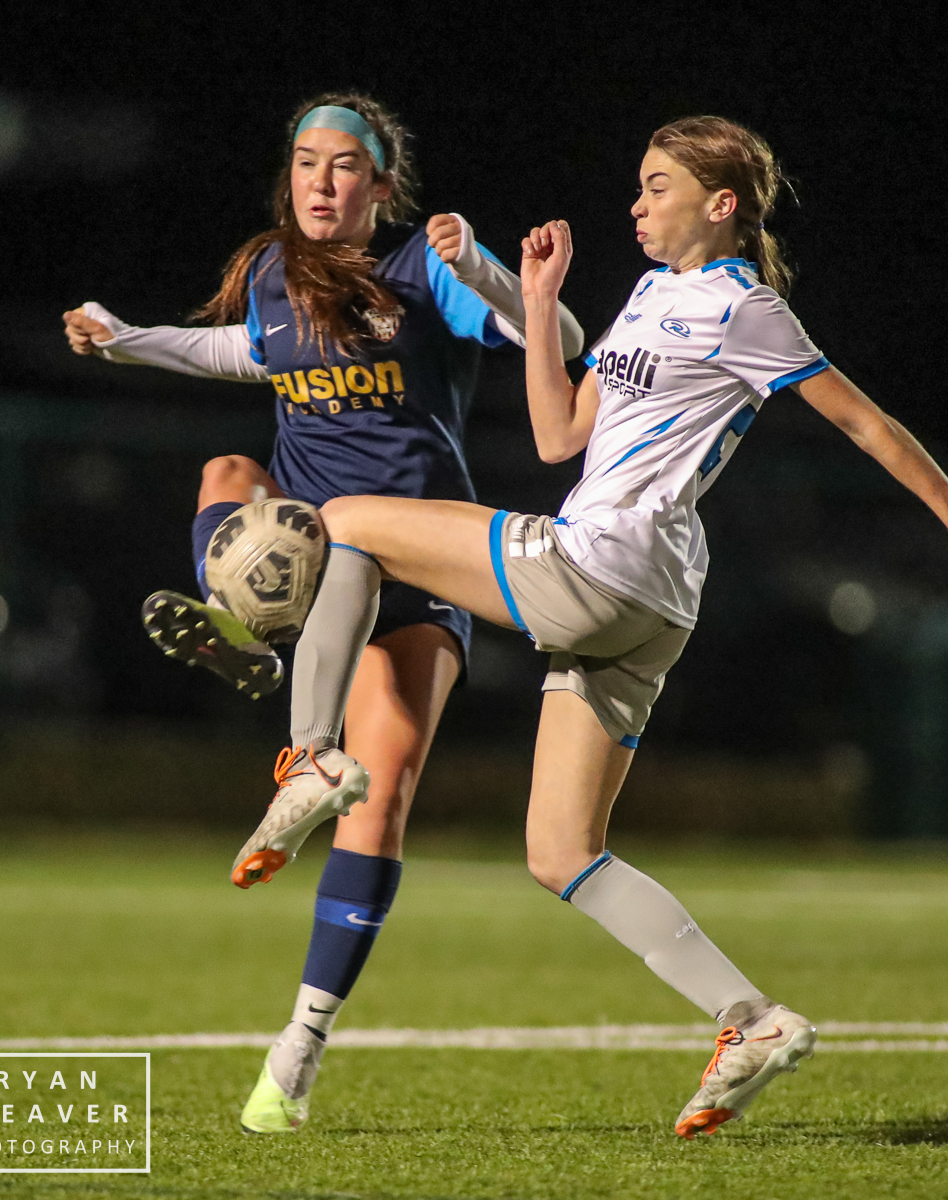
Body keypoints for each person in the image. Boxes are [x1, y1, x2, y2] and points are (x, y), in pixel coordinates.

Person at [234, 114, 948, 1138]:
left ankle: (308, 755)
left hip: (604, 564)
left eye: (657, 187)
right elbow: (559, 431)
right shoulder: (652, 295)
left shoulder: (747, 309)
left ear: (722, 206)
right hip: (650, 603)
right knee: (561, 851)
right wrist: (528, 300)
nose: (637, 205)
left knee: (344, 523)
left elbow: (866, 422)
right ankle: (750, 1020)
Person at [61, 91, 585, 1134]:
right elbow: (236, 356)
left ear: (381, 187)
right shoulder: (270, 272)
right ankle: (255, 640)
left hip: (419, 564)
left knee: (379, 798)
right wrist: (125, 340)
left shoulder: (424, 268)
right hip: (309, 547)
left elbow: (558, 333)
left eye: (344, 166)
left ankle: (300, 1039)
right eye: (306, 162)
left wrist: (482, 264)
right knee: (228, 470)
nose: (320, 181)